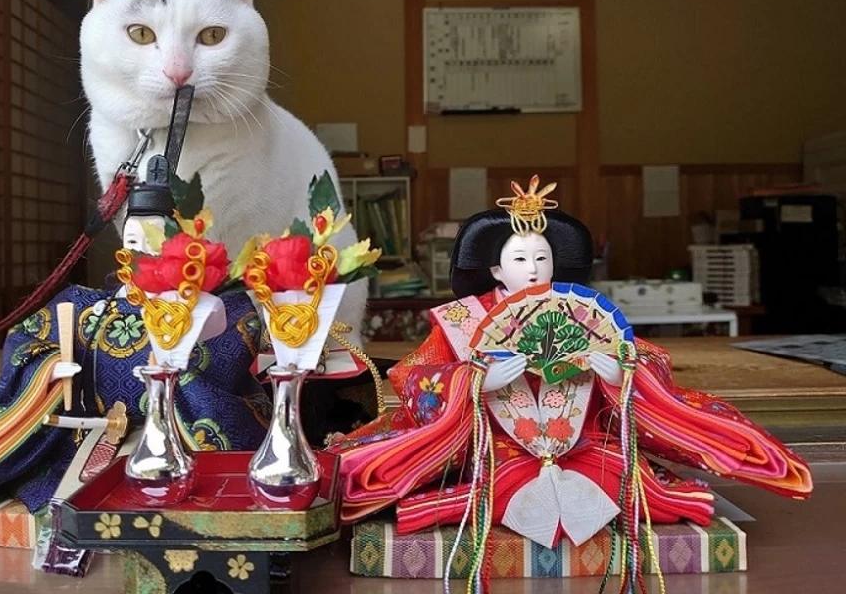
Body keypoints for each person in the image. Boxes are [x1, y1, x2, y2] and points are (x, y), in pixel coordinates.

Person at [330, 177, 812, 549]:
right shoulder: (463, 319)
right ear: (496, 269)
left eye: (542, 258)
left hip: (579, 439)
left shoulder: (581, 313)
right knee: (493, 481)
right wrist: (473, 380)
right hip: (494, 444)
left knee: (620, 478)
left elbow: (648, 358)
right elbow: (413, 376)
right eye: (520, 259)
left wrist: (620, 373)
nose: (534, 269)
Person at [0, 173, 271, 522]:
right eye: (132, 240)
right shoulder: (87, 305)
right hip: (84, 432)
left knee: (183, 488)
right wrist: (49, 369)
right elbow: (29, 337)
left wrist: (182, 363)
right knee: (67, 491)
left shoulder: (211, 306)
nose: (141, 250)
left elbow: (232, 348)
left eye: (152, 241)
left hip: (176, 433)